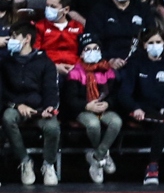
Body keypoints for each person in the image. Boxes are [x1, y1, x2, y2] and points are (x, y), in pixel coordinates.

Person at [117, 29, 164, 184]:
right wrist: (134, 108)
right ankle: (152, 167)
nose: (155, 46)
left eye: (158, 42)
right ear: (144, 45)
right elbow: (124, 93)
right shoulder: (136, 64)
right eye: (151, 43)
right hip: (143, 109)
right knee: (163, 124)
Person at [1, 19, 61, 184]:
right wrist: (16, 105)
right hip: (16, 106)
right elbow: (3, 91)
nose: (10, 40)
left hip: (40, 107)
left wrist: (49, 108)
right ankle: (25, 161)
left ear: (27, 38)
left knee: (53, 127)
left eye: (14, 36)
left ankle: (48, 164)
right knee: (7, 117)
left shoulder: (44, 61)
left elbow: (51, 89)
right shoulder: (6, 61)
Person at [65, 34, 121, 183]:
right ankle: (103, 154)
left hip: (103, 108)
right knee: (93, 124)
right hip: (84, 109)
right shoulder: (75, 73)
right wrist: (87, 105)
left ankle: (97, 156)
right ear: (82, 53)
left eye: (96, 48)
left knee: (116, 122)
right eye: (88, 49)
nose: (92, 51)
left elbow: (115, 95)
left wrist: (108, 104)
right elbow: (70, 100)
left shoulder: (107, 71)